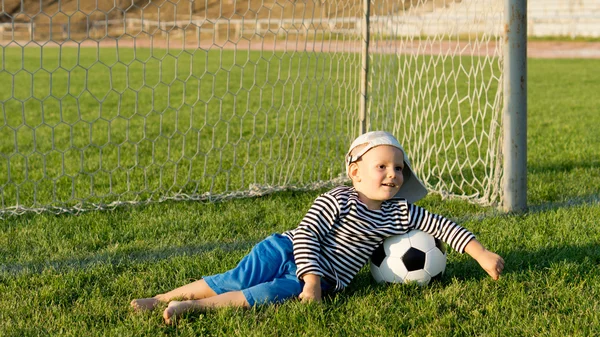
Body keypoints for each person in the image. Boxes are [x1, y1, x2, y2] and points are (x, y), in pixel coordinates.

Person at [130, 131, 505, 324]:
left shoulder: (400, 212)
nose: (393, 175)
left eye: (399, 169)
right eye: (382, 167)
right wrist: (310, 278)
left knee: (269, 292)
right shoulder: (336, 199)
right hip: (286, 249)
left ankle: (195, 309)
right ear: (355, 172)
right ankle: (162, 298)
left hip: (326, 278)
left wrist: (481, 253)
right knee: (235, 277)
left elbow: (442, 224)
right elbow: (308, 234)